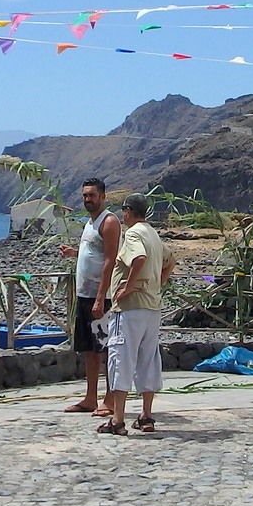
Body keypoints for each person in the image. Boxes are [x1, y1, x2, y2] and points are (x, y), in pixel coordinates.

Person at [98, 193, 174, 437]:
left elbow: (138, 258)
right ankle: (146, 415)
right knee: (148, 359)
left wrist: (128, 287)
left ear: (128, 211)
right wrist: (157, 284)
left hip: (130, 307)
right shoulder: (152, 233)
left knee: (121, 357)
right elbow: (170, 261)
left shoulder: (132, 233)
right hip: (152, 306)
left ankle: (117, 419)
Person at [58, 177, 122, 416]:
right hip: (84, 294)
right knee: (89, 349)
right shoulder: (90, 223)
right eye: (85, 195)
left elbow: (110, 259)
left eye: (92, 195)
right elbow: (94, 253)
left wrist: (100, 297)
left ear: (103, 196)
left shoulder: (109, 222)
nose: (87, 200)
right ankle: (90, 397)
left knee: (106, 347)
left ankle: (110, 399)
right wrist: (75, 253)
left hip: (100, 296)